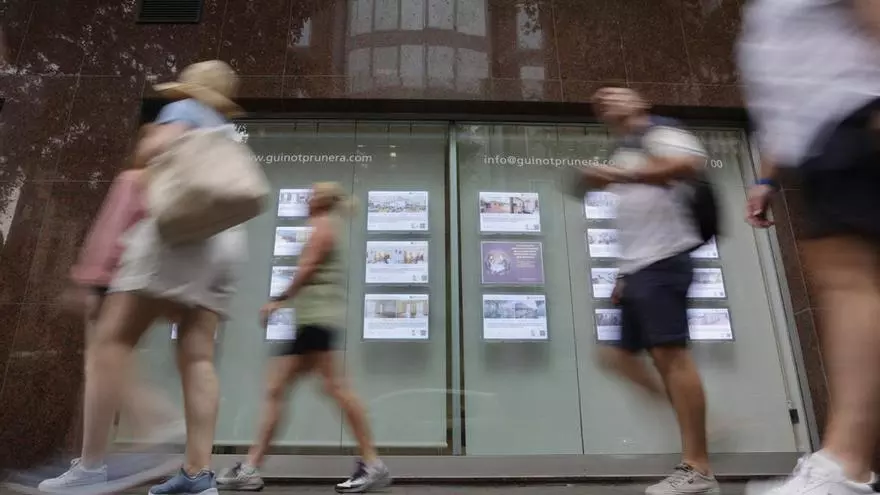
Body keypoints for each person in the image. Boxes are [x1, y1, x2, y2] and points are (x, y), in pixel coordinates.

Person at [36, 60, 248, 495]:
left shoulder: (184, 110)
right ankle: (197, 474)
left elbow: (156, 153)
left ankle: (93, 466)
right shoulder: (226, 130)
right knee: (198, 357)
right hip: (222, 243)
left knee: (109, 342)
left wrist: (151, 142)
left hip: (176, 232)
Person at [738, 1, 880, 495]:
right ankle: (845, 464)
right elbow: (784, 98)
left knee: (848, 278)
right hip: (824, 137)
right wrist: (765, 179)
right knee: (843, 276)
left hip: (856, 116)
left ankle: (846, 465)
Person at [580, 87, 719, 495]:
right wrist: (623, 274)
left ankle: (698, 467)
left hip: (666, 259)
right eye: (600, 100)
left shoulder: (661, 132)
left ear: (640, 102)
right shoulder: (623, 150)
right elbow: (635, 220)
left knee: (670, 357)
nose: (606, 100)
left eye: (617, 94)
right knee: (618, 357)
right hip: (638, 268)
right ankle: (696, 422)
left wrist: (619, 175)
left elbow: (686, 164)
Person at [216, 183, 391, 494]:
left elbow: (307, 268)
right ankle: (251, 467)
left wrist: (278, 300)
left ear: (321, 201)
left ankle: (372, 463)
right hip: (311, 323)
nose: (307, 199)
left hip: (315, 323)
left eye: (312, 195)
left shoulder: (323, 226)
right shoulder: (327, 225)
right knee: (280, 388)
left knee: (334, 389)